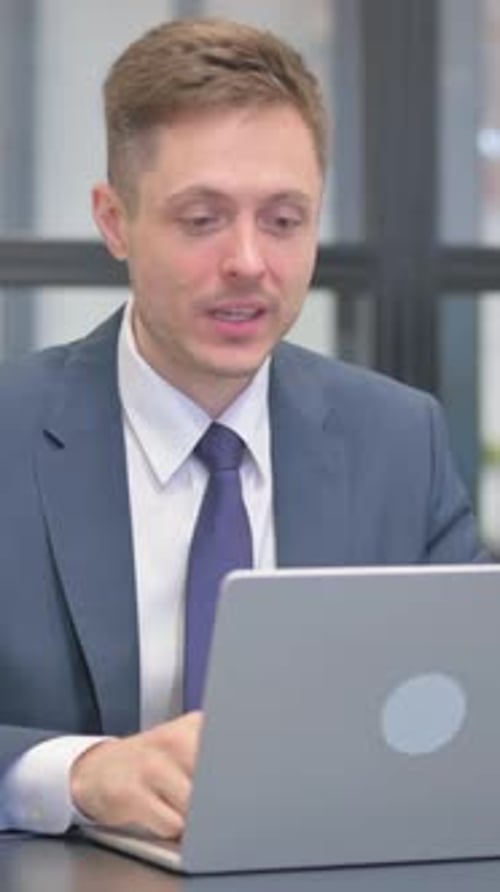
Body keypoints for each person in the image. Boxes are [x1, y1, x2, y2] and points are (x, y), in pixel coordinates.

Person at [0, 17, 488, 842]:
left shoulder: (400, 440)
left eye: (285, 220)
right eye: (202, 219)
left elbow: (475, 718)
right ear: (115, 220)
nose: (250, 263)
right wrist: (72, 773)